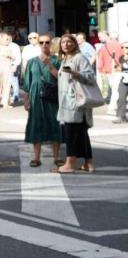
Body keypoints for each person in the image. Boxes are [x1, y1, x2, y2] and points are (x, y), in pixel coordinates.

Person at [53, 34, 96, 173]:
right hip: (68, 101)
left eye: (69, 42)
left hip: (75, 102)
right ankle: (88, 163)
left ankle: (69, 164)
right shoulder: (66, 58)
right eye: (63, 42)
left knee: (71, 133)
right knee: (82, 134)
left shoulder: (79, 58)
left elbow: (90, 77)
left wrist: (75, 73)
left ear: (75, 43)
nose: (65, 44)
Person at [21, 33, 62, 168]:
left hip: (52, 97)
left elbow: (62, 79)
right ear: (38, 44)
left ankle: (57, 157)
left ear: (51, 43)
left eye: (47, 42)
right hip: (36, 97)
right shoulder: (32, 61)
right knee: (36, 124)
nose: (44, 45)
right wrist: (26, 101)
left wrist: (49, 64)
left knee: (55, 124)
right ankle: (36, 157)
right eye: (41, 42)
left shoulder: (57, 60)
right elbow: (27, 82)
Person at [95, 32, 123, 113]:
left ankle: (114, 105)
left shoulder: (105, 47)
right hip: (118, 69)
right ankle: (113, 105)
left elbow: (100, 60)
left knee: (113, 87)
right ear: (117, 37)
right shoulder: (120, 46)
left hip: (107, 70)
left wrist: (101, 71)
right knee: (116, 89)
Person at [7, 34, 23, 105]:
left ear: (11, 38)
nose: (6, 40)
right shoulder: (3, 46)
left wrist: (15, 66)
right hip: (5, 66)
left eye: (8, 38)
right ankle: (7, 96)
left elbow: (18, 57)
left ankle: (16, 96)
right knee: (7, 82)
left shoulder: (15, 46)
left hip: (12, 65)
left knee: (14, 81)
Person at [115, 39, 128, 124]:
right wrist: (117, 67)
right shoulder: (121, 58)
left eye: (126, 47)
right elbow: (118, 67)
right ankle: (121, 116)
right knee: (121, 98)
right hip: (124, 80)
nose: (124, 49)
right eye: (122, 47)